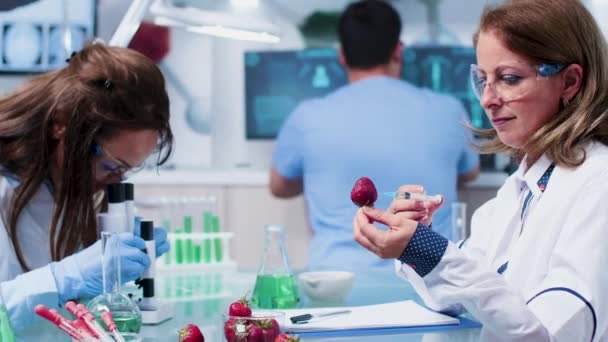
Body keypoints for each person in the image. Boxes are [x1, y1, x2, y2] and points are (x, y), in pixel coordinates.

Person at [354, 0, 608, 340]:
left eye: (509, 78)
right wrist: (417, 241)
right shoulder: (518, 190)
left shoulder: (598, 185)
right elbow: (458, 300)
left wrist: (427, 249)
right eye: (483, 79)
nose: (488, 99)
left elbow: (548, 335)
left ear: (570, 81)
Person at [270, 0, 479, 270]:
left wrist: (323, 170)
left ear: (342, 56)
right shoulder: (450, 110)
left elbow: (279, 186)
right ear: (398, 51)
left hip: (336, 285)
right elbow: (468, 173)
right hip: (430, 282)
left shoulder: (306, 116)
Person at [0, 43, 173, 331]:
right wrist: (66, 277)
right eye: (111, 166)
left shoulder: (56, 179)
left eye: (127, 170)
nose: (115, 183)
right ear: (61, 125)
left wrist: (106, 269)